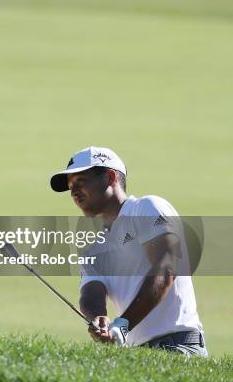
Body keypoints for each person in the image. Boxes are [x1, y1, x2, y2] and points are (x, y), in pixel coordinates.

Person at [49, 146, 207, 357]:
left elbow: (166, 268)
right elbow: (91, 292)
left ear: (110, 177)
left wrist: (123, 324)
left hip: (178, 346)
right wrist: (98, 318)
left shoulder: (147, 207)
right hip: (137, 353)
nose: (74, 192)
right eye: (70, 187)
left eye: (81, 182)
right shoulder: (93, 249)